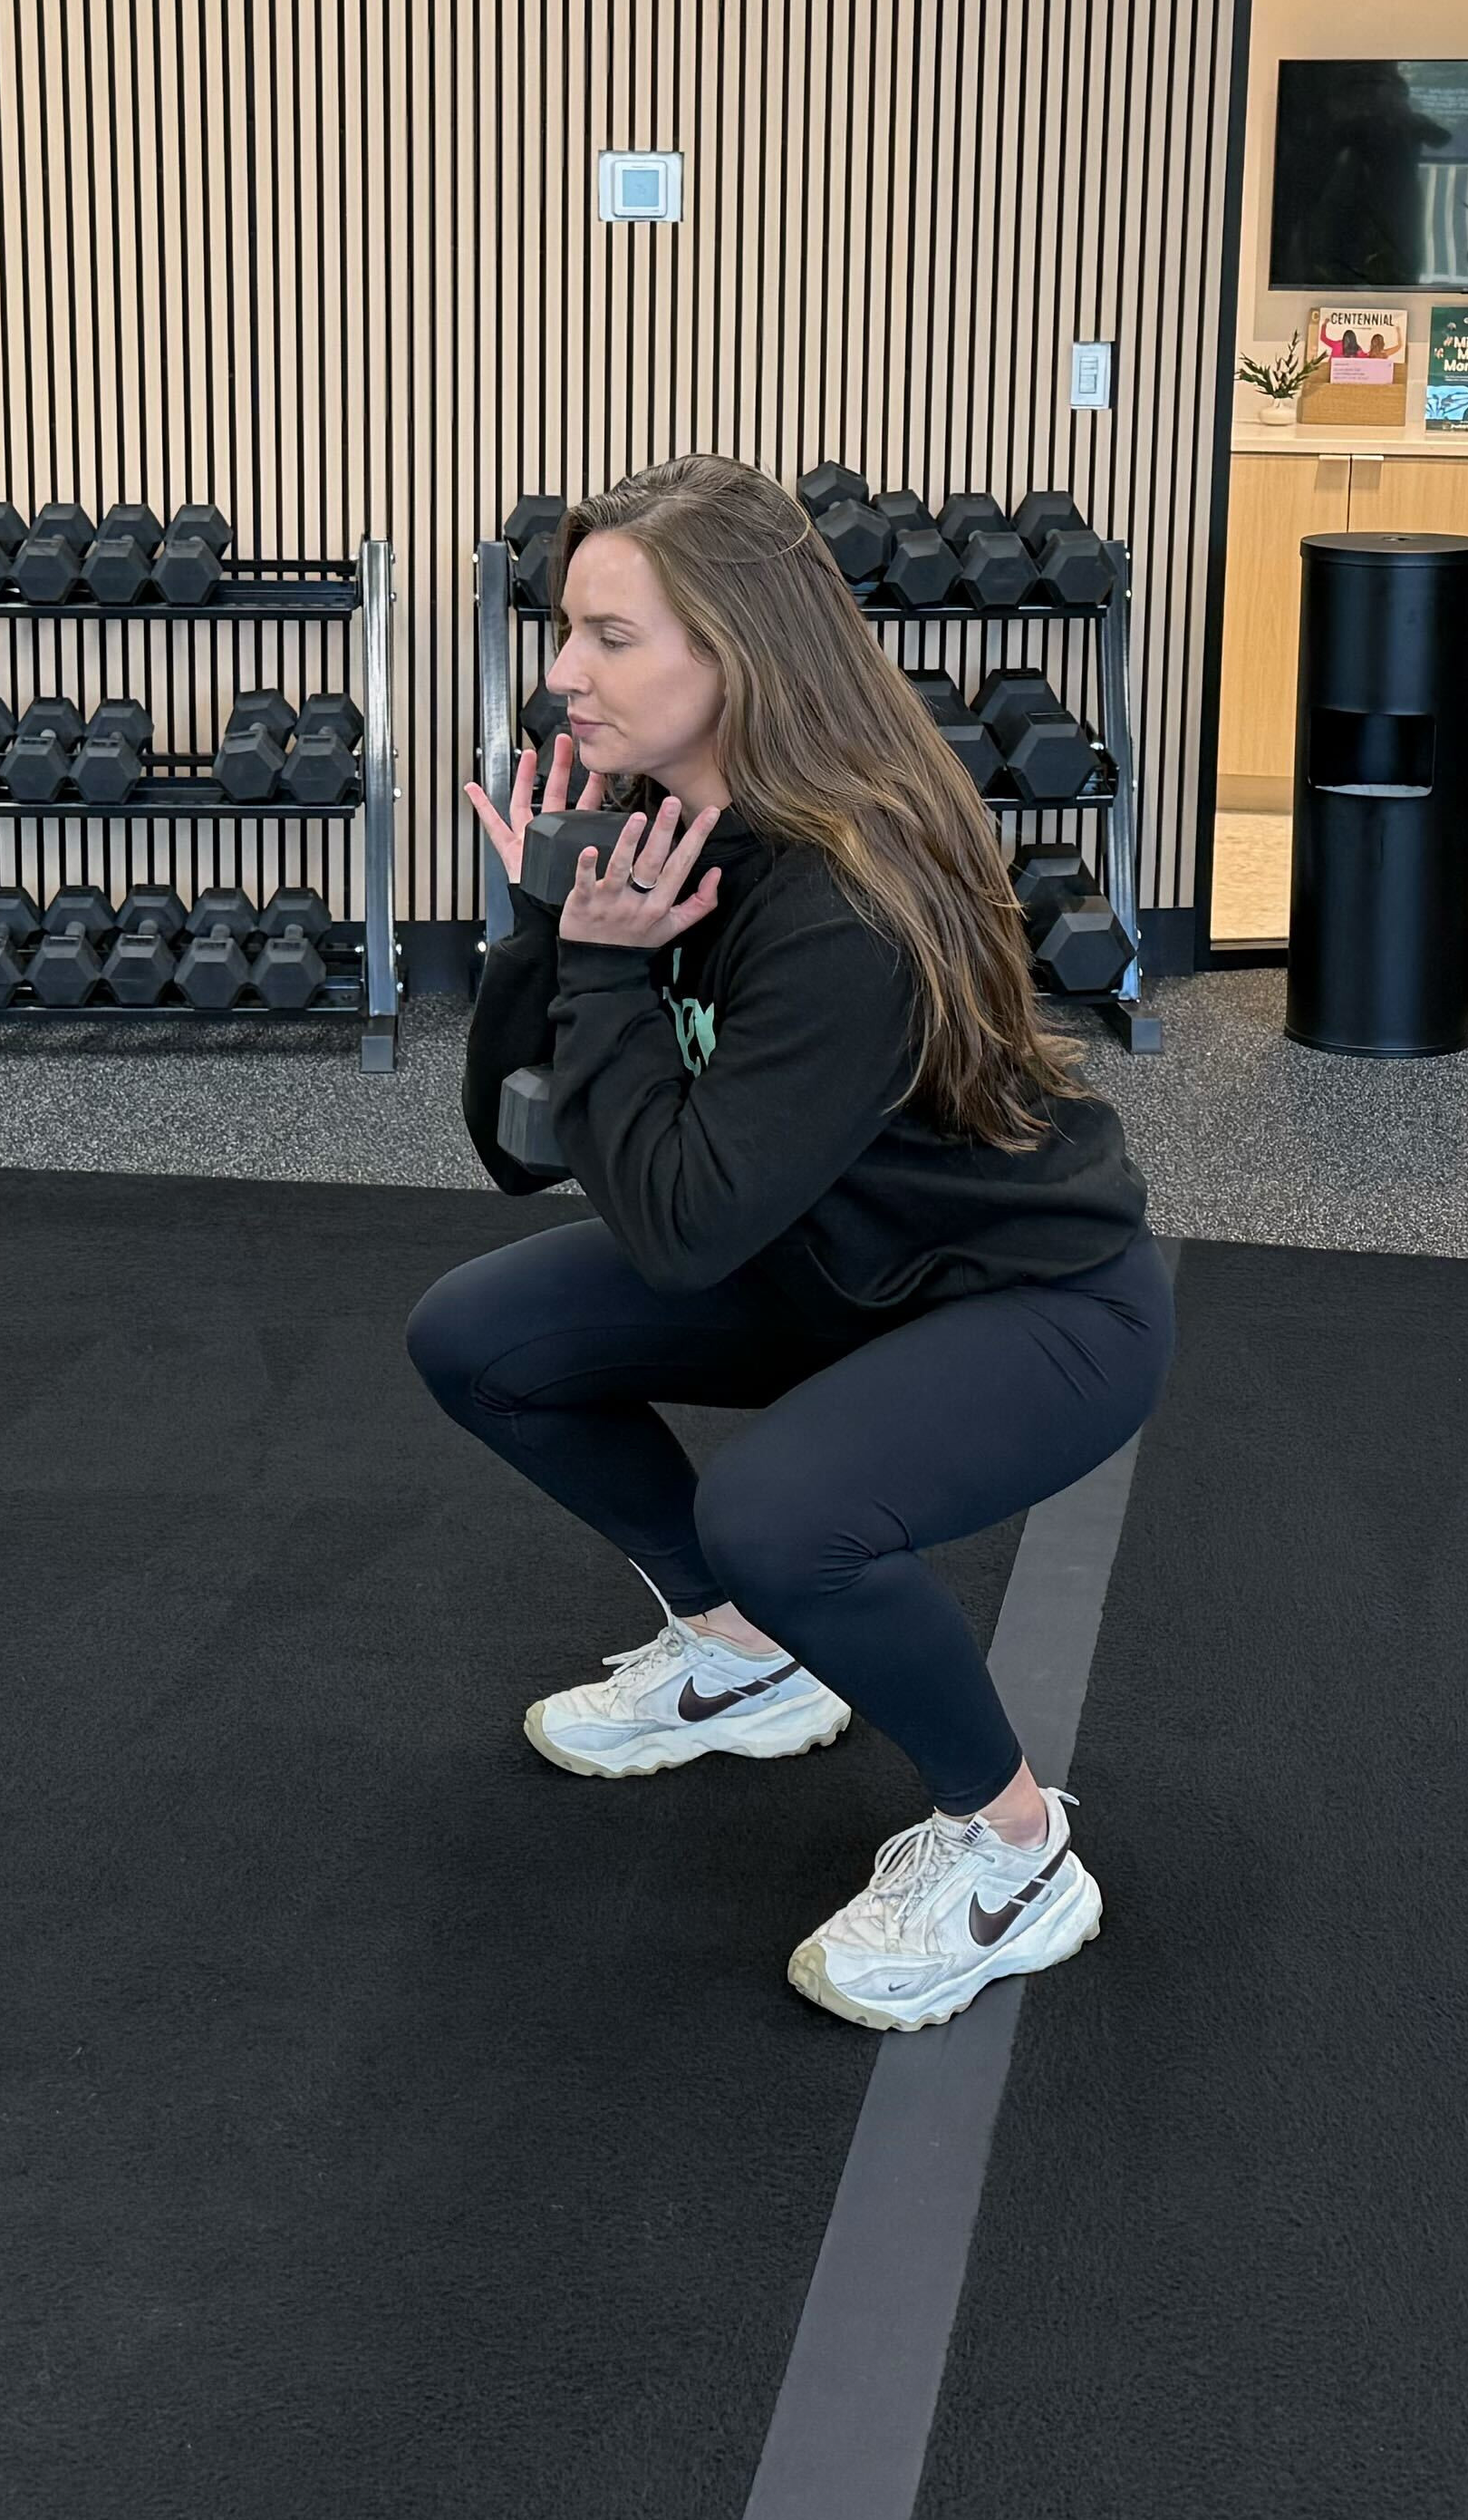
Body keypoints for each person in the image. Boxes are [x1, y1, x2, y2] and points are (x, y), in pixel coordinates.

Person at [408, 453, 1174, 2032]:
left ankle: (1018, 1851)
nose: (562, 674)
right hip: (820, 1256)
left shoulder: (839, 897)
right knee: (479, 1339)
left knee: (782, 1510)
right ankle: (746, 1657)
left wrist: (610, 978)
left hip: (1034, 1305)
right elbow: (513, 1151)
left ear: (736, 652)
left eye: (611, 637)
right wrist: (547, 925)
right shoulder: (660, 827)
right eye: (566, 629)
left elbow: (679, 1227)